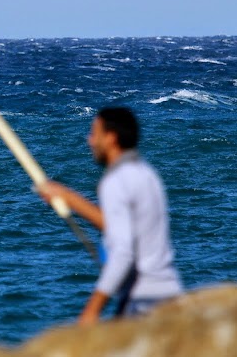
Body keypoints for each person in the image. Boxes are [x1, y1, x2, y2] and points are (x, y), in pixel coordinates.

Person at [37, 107, 182, 325]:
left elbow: (123, 251)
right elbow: (120, 227)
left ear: (111, 138)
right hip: (169, 294)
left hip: (142, 301)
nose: (90, 141)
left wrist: (92, 310)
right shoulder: (146, 174)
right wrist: (68, 198)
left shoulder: (115, 181)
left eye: (94, 133)